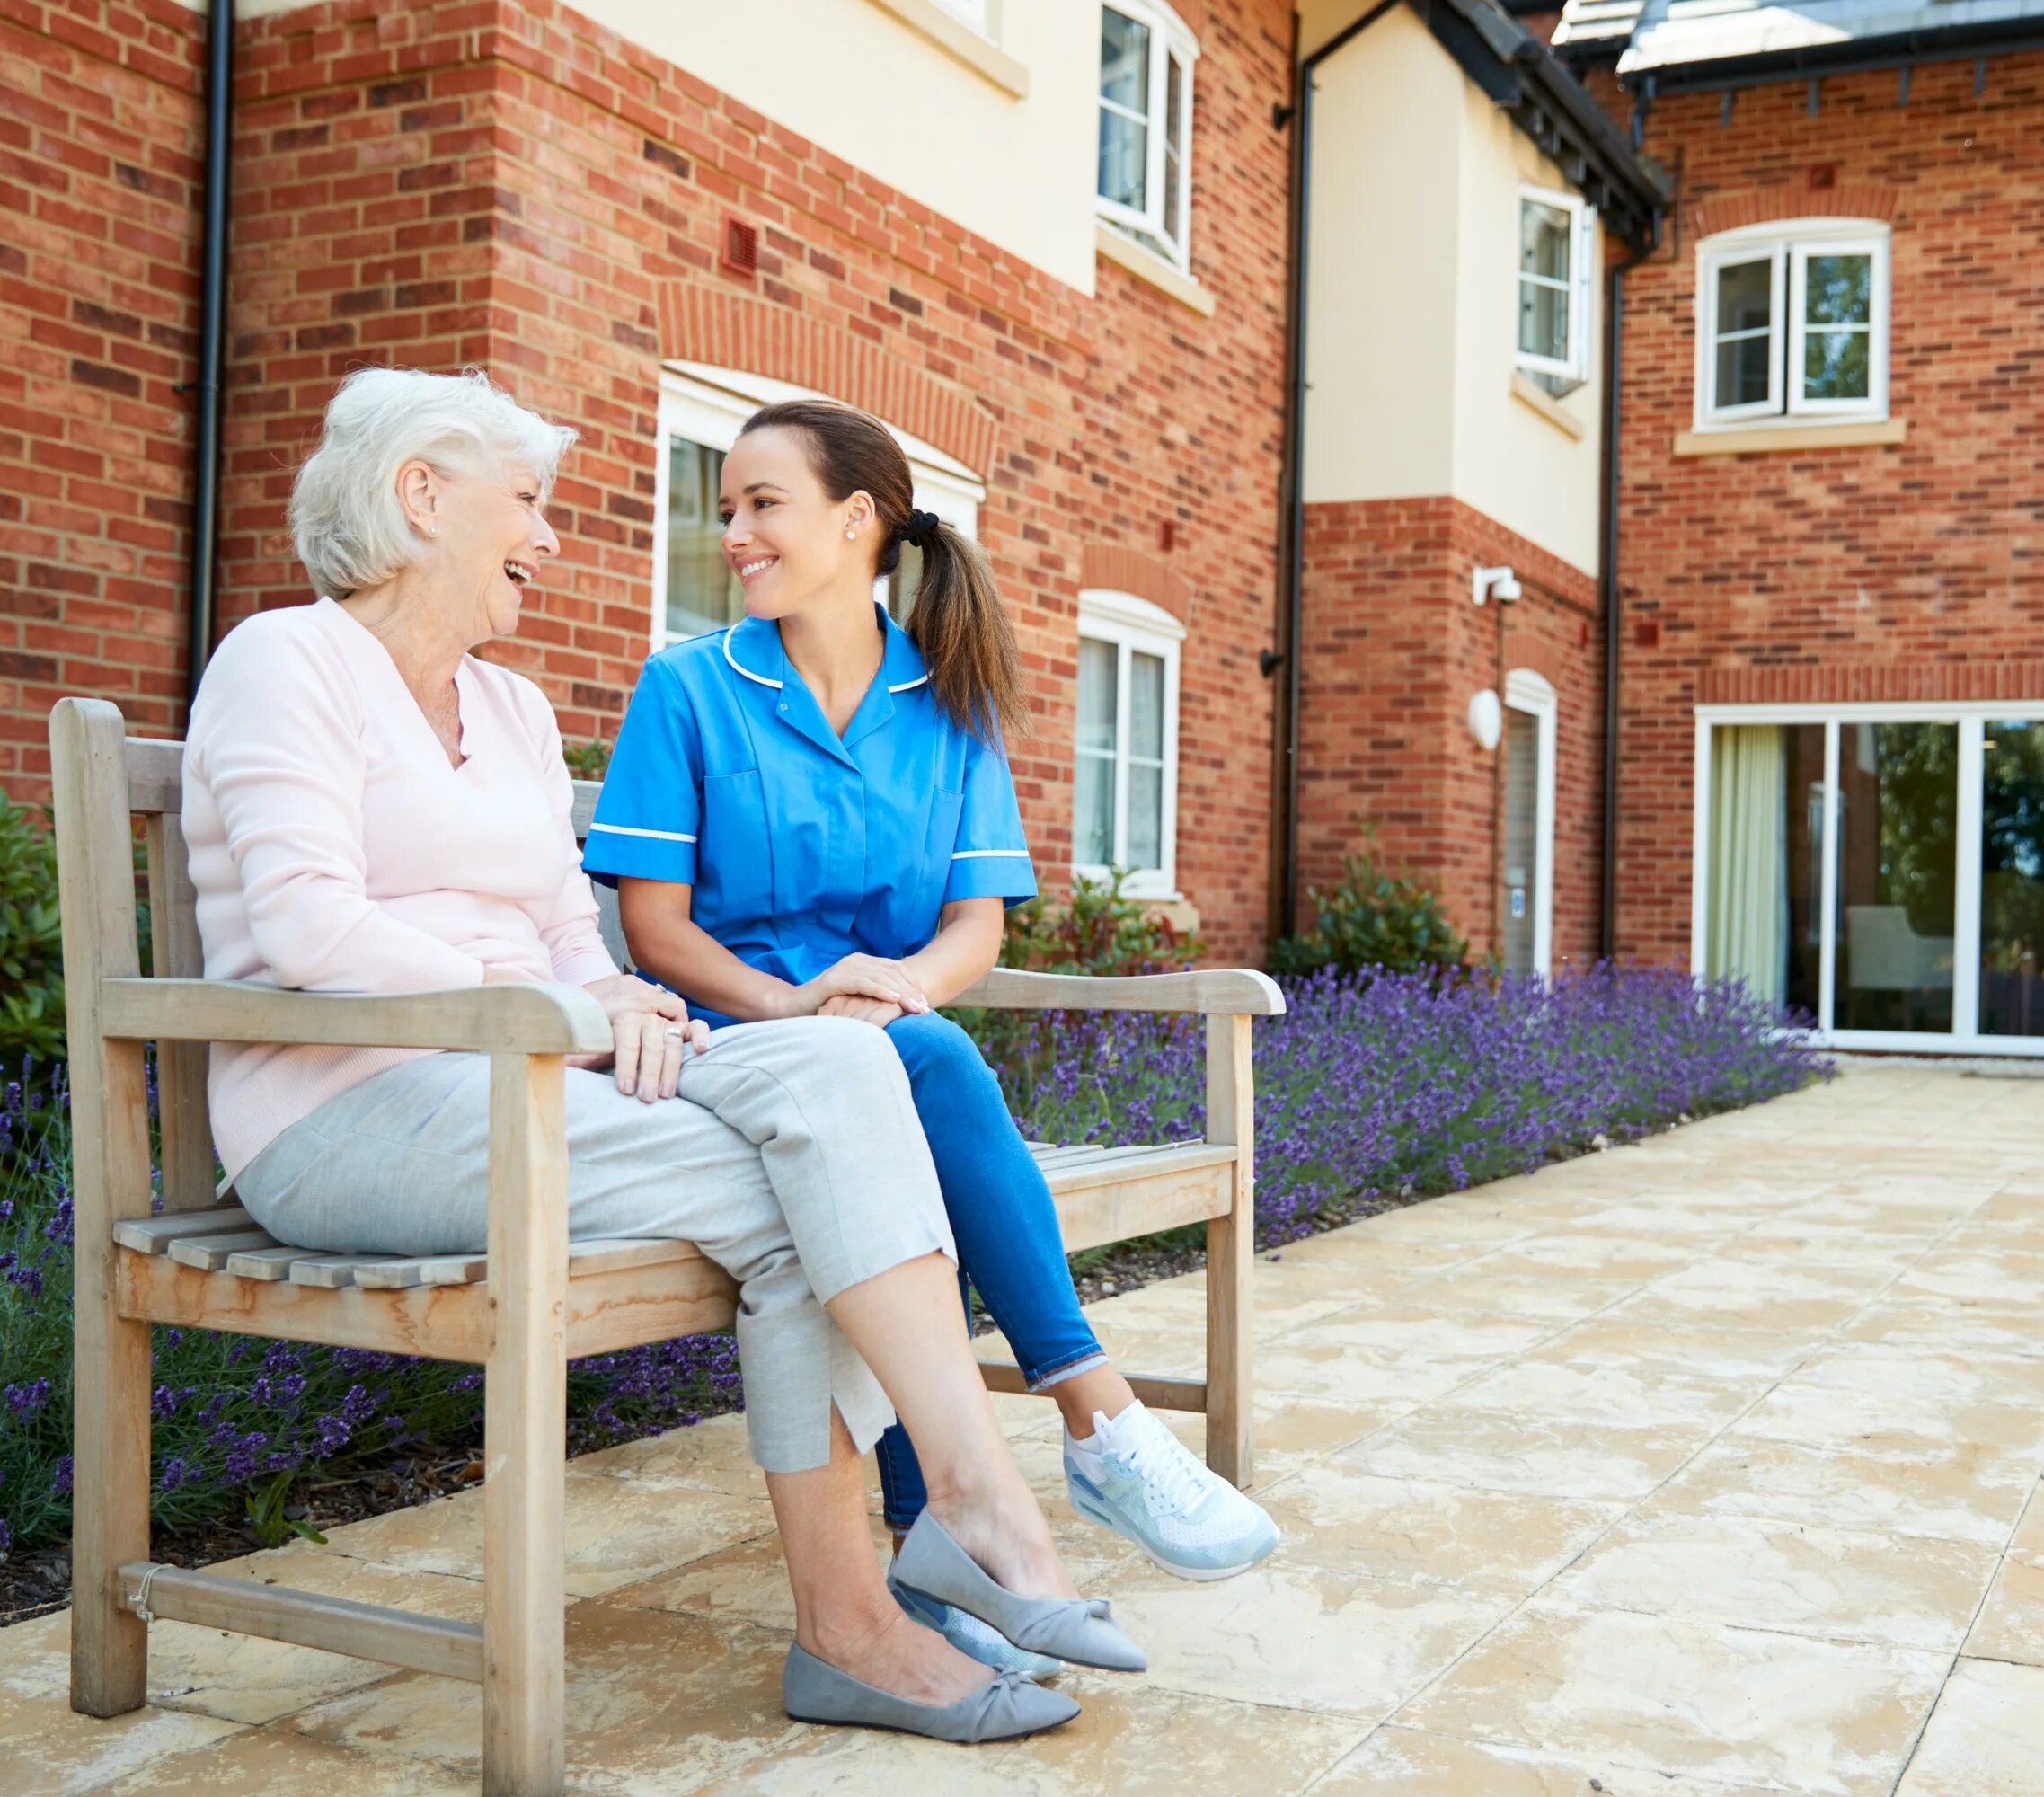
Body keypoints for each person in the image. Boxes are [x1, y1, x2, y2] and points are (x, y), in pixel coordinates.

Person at [181, 367, 1136, 1744]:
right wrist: (580, 1015)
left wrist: (612, 1001)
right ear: (420, 498)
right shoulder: (288, 660)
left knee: (850, 1070)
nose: (553, 538)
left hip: (534, 1081)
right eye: (530, 504)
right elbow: (311, 925)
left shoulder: (505, 709)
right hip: (349, 1110)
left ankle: (943, 1538)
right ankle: (909, 1577)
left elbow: (574, 928)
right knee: (814, 1198)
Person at [584, 399, 1279, 1674]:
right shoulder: (687, 686)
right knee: (927, 1072)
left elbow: (975, 928)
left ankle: (933, 1549)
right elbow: (655, 933)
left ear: (857, 520)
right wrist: (804, 1007)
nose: (734, 531)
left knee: (908, 1087)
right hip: (733, 1055)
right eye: (726, 508)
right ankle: (1097, 1419)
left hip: (881, 1049)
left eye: (761, 504)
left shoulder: (948, 703)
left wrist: (896, 988)